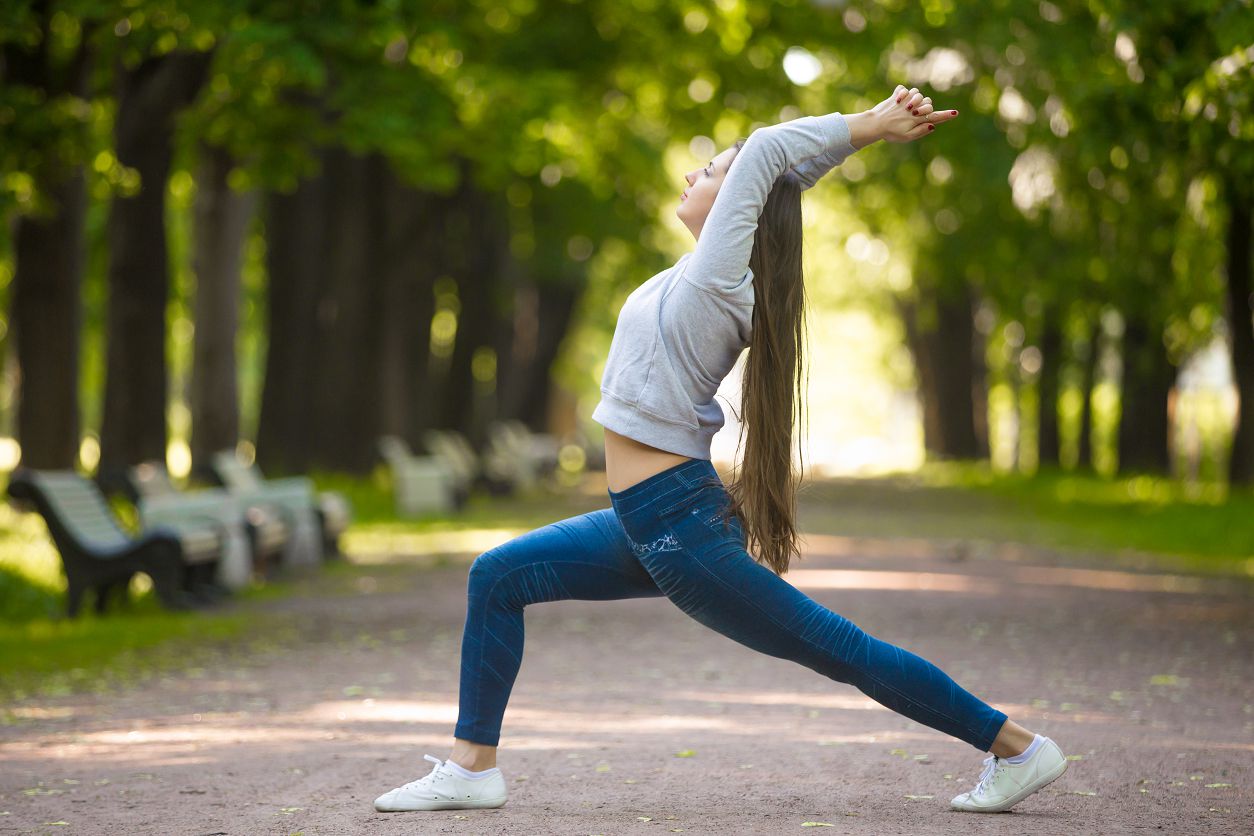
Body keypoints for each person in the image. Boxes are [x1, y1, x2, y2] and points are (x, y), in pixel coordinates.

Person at [374, 84, 1069, 816]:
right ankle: (473, 767)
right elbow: (779, 171)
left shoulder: (716, 283)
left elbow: (770, 152)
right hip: (646, 521)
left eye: (712, 170)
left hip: (674, 524)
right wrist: (815, 161)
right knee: (498, 577)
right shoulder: (698, 274)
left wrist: (870, 127)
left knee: (841, 651)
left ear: (743, 200)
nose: (694, 175)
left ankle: (1016, 747)